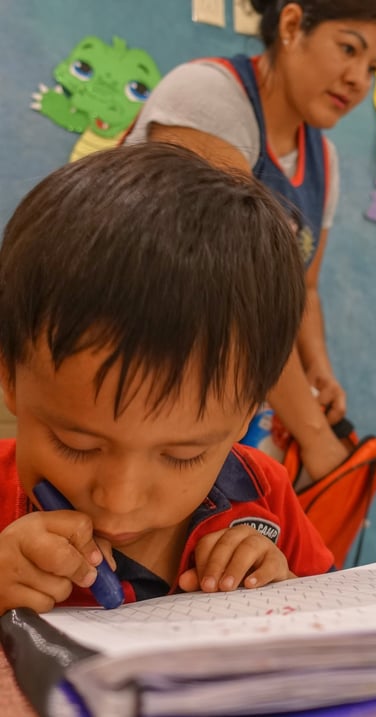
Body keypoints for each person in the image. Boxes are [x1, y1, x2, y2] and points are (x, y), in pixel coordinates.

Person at [0, 142, 334, 614]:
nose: (119, 500)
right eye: (77, 444)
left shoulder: (264, 495)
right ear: (9, 377)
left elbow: (332, 626)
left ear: (247, 413)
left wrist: (285, 591)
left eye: (184, 455)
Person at [124, 0, 376, 483]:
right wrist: (317, 440)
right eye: (348, 49)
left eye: (373, 66)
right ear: (292, 25)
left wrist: (318, 369)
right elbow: (227, 297)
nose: (360, 79)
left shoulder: (324, 159)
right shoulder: (208, 97)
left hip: (209, 402)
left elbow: (302, 288)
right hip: (128, 383)